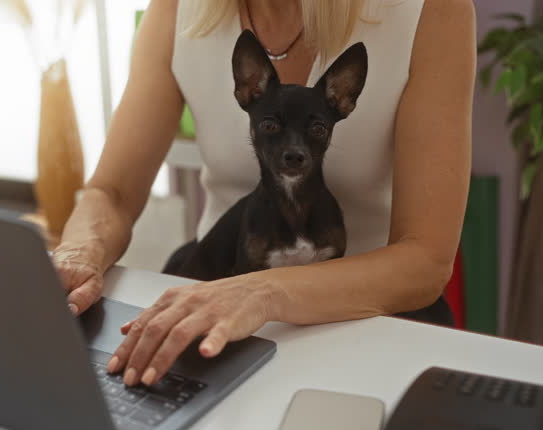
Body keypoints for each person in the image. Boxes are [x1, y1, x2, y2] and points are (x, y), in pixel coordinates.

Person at [52, 0, 476, 387]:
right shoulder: (176, 11)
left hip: (364, 315)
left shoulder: (431, 12)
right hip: (215, 294)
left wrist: (262, 291)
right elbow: (112, 192)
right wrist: (79, 254)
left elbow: (426, 261)